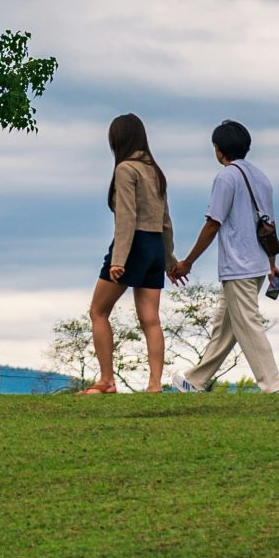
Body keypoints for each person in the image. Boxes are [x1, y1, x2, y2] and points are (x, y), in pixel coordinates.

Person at [169, 119, 279, 394]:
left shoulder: (226, 178)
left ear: (219, 149)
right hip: (257, 264)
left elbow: (213, 223)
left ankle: (274, 387)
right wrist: (272, 265)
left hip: (238, 266)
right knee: (225, 328)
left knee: (248, 325)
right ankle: (195, 381)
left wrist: (188, 262)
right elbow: (269, 226)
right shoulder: (261, 178)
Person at [81, 112, 174, 393]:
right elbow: (166, 221)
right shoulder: (155, 171)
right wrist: (169, 260)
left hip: (133, 245)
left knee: (98, 311)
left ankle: (107, 380)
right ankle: (155, 384)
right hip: (155, 246)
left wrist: (118, 260)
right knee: (151, 319)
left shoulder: (125, 169)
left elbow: (126, 217)